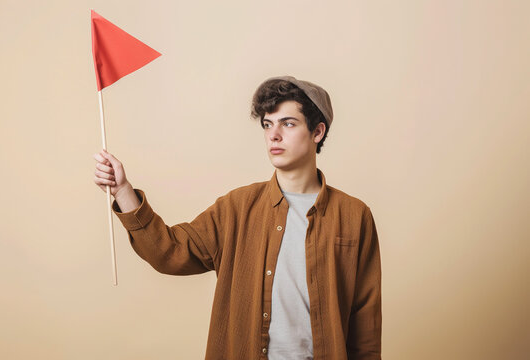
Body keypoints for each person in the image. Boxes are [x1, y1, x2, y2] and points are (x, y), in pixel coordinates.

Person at [93, 75, 382, 360]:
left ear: (317, 132)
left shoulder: (354, 216)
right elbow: (169, 252)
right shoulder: (237, 208)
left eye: (288, 123)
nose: (274, 135)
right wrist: (122, 190)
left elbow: (365, 326)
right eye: (267, 125)